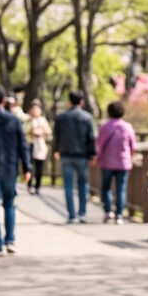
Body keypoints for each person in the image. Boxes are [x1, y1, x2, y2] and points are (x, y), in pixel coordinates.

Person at [0, 85, 31, 255]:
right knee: (9, 204)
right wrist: (27, 167)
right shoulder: (14, 120)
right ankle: (10, 240)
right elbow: (23, 145)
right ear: (3, 100)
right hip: (10, 167)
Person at [52, 90, 96, 223]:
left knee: (68, 186)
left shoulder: (61, 117)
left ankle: (72, 215)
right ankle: (82, 213)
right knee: (83, 184)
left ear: (69, 101)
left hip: (66, 154)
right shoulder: (87, 117)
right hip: (82, 155)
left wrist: (56, 150)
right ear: (82, 101)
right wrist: (92, 153)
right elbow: (91, 137)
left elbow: (56, 136)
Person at [96, 101, 136, 224]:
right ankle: (119, 214)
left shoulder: (105, 127)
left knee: (106, 187)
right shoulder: (127, 127)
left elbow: (100, 145)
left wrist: (98, 157)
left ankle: (108, 211)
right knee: (121, 189)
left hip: (107, 162)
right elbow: (132, 145)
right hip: (123, 162)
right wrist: (129, 156)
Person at [25, 100, 51, 195]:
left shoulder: (43, 120)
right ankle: (29, 185)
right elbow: (28, 131)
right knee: (29, 166)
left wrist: (39, 131)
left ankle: (37, 186)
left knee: (39, 167)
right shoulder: (28, 119)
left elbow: (48, 131)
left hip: (40, 146)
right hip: (29, 145)